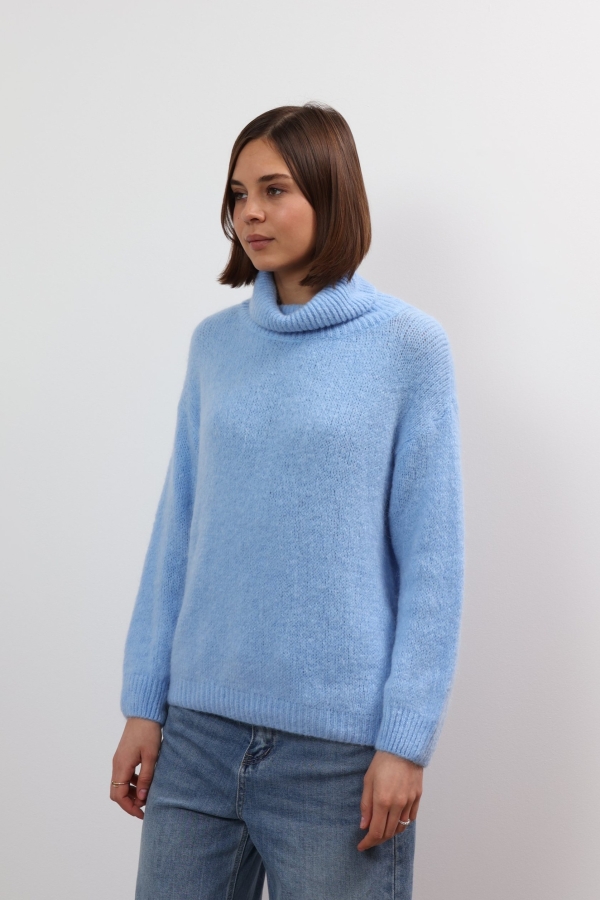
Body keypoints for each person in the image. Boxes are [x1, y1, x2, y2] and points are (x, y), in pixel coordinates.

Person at [110, 102, 465, 899]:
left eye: (274, 190)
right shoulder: (215, 346)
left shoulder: (409, 347)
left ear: (331, 194)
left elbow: (434, 563)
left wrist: (405, 742)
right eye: (239, 194)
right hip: (197, 736)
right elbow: (178, 530)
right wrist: (144, 703)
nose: (250, 214)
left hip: (336, 758)